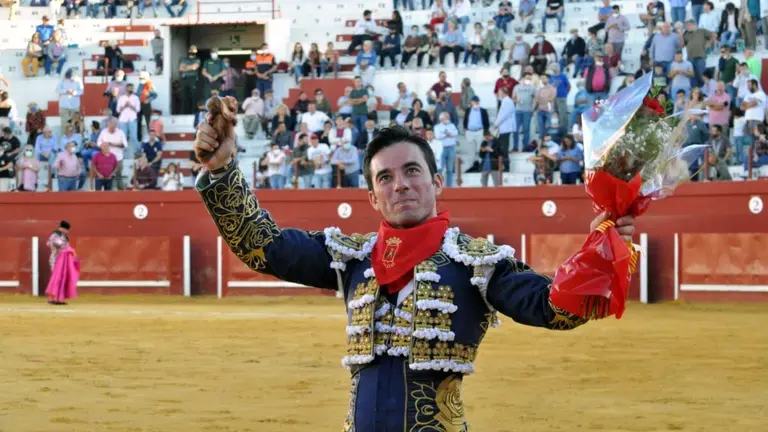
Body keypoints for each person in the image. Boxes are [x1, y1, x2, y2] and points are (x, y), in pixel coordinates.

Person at [193, 112, 638, 429]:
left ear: (436, 183)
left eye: (411, 171)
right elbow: (260, 245)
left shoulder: (476, 263)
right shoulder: (353, 258)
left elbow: (552, 307)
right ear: (372, 197)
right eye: (384, 178)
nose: (399, 184)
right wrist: (223, 169)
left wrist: (607, 245)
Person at [45, 220, 79, 306]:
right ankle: (52, 299)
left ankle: (59, 299)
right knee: (56, 279)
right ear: (63, 228)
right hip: (56, 259)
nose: (67, 231)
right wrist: (70, 250)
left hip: (62, 260)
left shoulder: (62, 236)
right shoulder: (55, 235)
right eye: (67, 229)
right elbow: (58, 244)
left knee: (61, 279)